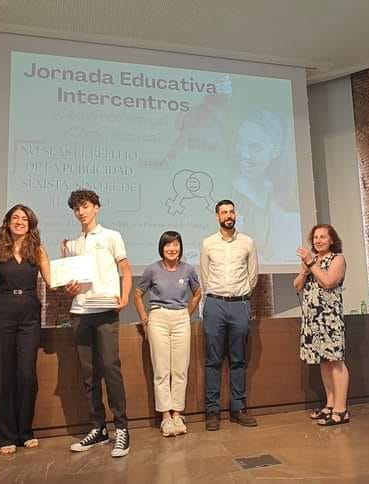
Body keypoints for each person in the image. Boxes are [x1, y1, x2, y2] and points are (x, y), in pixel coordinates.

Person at [62, 189, 134, 458]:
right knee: (88, 374)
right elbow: (70, 282)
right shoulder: (72, 244)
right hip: (80, 312)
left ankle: (122, 428)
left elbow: (126, 271)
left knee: (111, 368)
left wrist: (124, 297)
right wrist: (69, 288)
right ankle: (98, 428)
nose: (81, 212)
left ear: (96, 207)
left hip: (105, 309)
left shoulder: (111, 236)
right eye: (76, 208)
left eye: (85, 206)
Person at [0, 204, 51, 454]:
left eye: (24, 218)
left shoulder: (38, 250)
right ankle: (6, 436)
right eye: (15, 217)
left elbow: (52, 281)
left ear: (30, 224)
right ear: (8, 222)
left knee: (26, 374)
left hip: (29, 314)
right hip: (2, 311)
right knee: (1, 374)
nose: (20, 222)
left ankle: (25, 431)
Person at [134, 231, 201, 437]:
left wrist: (186, 313)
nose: (172, 249)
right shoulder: (152, 269)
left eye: (175, 245)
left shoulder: (188, 269)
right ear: (161, 248)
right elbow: (137, 294)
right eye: (168, 245)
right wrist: (145, 320)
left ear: (180, 247)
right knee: (162, 370)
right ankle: (165, 416)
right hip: (158, 318)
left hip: (181, 319)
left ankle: (177, 414)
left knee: (180, 369)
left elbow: (197, 293)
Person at [199, 199, 259, 431]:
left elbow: (252, 276)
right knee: (213, 361)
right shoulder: (208, 243)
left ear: (235, 215)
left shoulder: (247, 242)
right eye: (224, 212)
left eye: (231, 212)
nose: (228, 216)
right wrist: (216, 296)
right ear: (217, 216)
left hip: (239, 304)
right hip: (215, 304)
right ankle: (212, 411)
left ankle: (238, 408)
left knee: (238, 360)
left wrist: (241, 295)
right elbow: (204, 276)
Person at [292, 224, 350, 426]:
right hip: (313, 320)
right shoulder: (312, 261)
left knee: (336, 361)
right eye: (315, 237)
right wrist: (304, 270)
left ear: (332, 240)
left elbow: (328, 282)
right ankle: (330, 405)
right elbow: (297, 287)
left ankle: (341, 410)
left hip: (329, 319)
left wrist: (311, 263)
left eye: (322, 237)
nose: (318, 240)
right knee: (323, 362)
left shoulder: (338, 259)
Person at [229, 110, 301, 262]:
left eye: (255, 147)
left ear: (275, 151)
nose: (244, 154)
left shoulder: (278, 193)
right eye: (241, 142)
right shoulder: (231, 193)